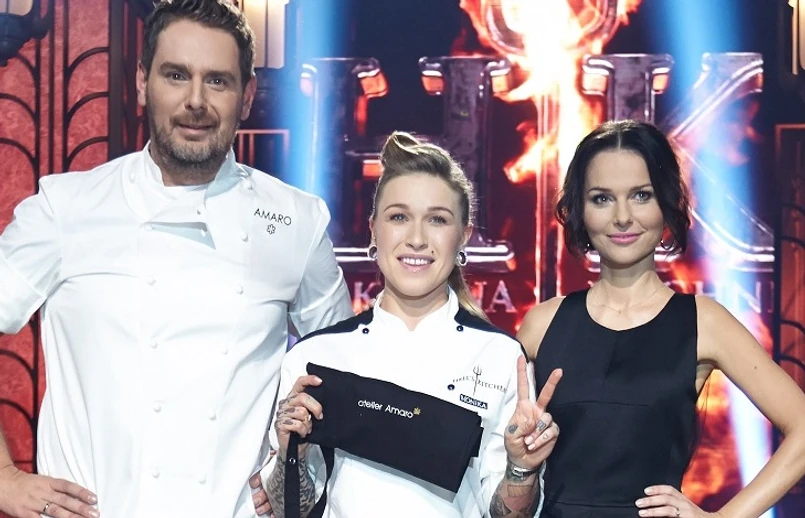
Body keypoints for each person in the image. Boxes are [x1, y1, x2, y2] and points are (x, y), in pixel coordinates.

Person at [0, 1, 352, 517]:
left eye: (218, 81)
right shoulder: (67, 207)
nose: (195, 101)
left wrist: (294, 480)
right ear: (142, 82)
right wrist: (3, 479)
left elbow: (344, 372)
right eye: (176, 75)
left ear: (247, 96)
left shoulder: (295, 221)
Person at [251, 131, 563, 518]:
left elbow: (506, 514)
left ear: (463, 236)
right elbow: (288, 510)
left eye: (437, 220)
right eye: (399, 217)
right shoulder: (316, 356)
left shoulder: (500, 356)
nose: (416, 239)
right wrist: (290, 451)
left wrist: (521, 468)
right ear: (373, 230)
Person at [517, 119, 805, 517]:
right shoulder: (542, 324)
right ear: (580, 210)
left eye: (641, 195)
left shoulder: (703, 322)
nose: (622, 217)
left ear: (666, 203)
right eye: (602, 198)